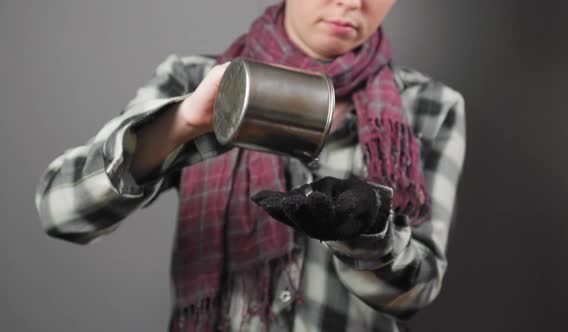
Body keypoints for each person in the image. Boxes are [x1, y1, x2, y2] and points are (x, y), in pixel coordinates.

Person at [35, 0, 466, 331]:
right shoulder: (195, 79)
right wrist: (184, 122)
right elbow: (62, 212)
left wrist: (368, 235)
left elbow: (417, 292)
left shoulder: (429, 107)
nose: (351, 1)